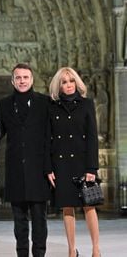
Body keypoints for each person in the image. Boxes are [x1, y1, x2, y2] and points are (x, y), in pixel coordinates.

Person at [47, 67, 100, 257]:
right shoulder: (51, 107)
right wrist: (49, 168)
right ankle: (71, 250)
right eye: (64, 82)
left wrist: (92, 167)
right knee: (67, 207)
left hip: (82, 162)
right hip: (60, 163)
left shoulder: (86, 104)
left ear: (76, 83)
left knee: (89, 205)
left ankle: (96, 249)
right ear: (58, 85)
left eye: (71, 81)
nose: (68, 85)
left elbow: (92, 138)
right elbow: (48, 138)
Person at [0, 63, 51, 257]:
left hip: (38, 172)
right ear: (13, 81)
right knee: (19, 223)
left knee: (40, 220)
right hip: (15, 171)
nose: (22, 81)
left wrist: (49, 168)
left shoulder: (45, 103)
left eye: (25, 77)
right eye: (18, 78)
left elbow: (50, 138)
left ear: (32, 79)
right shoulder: (3, 104)